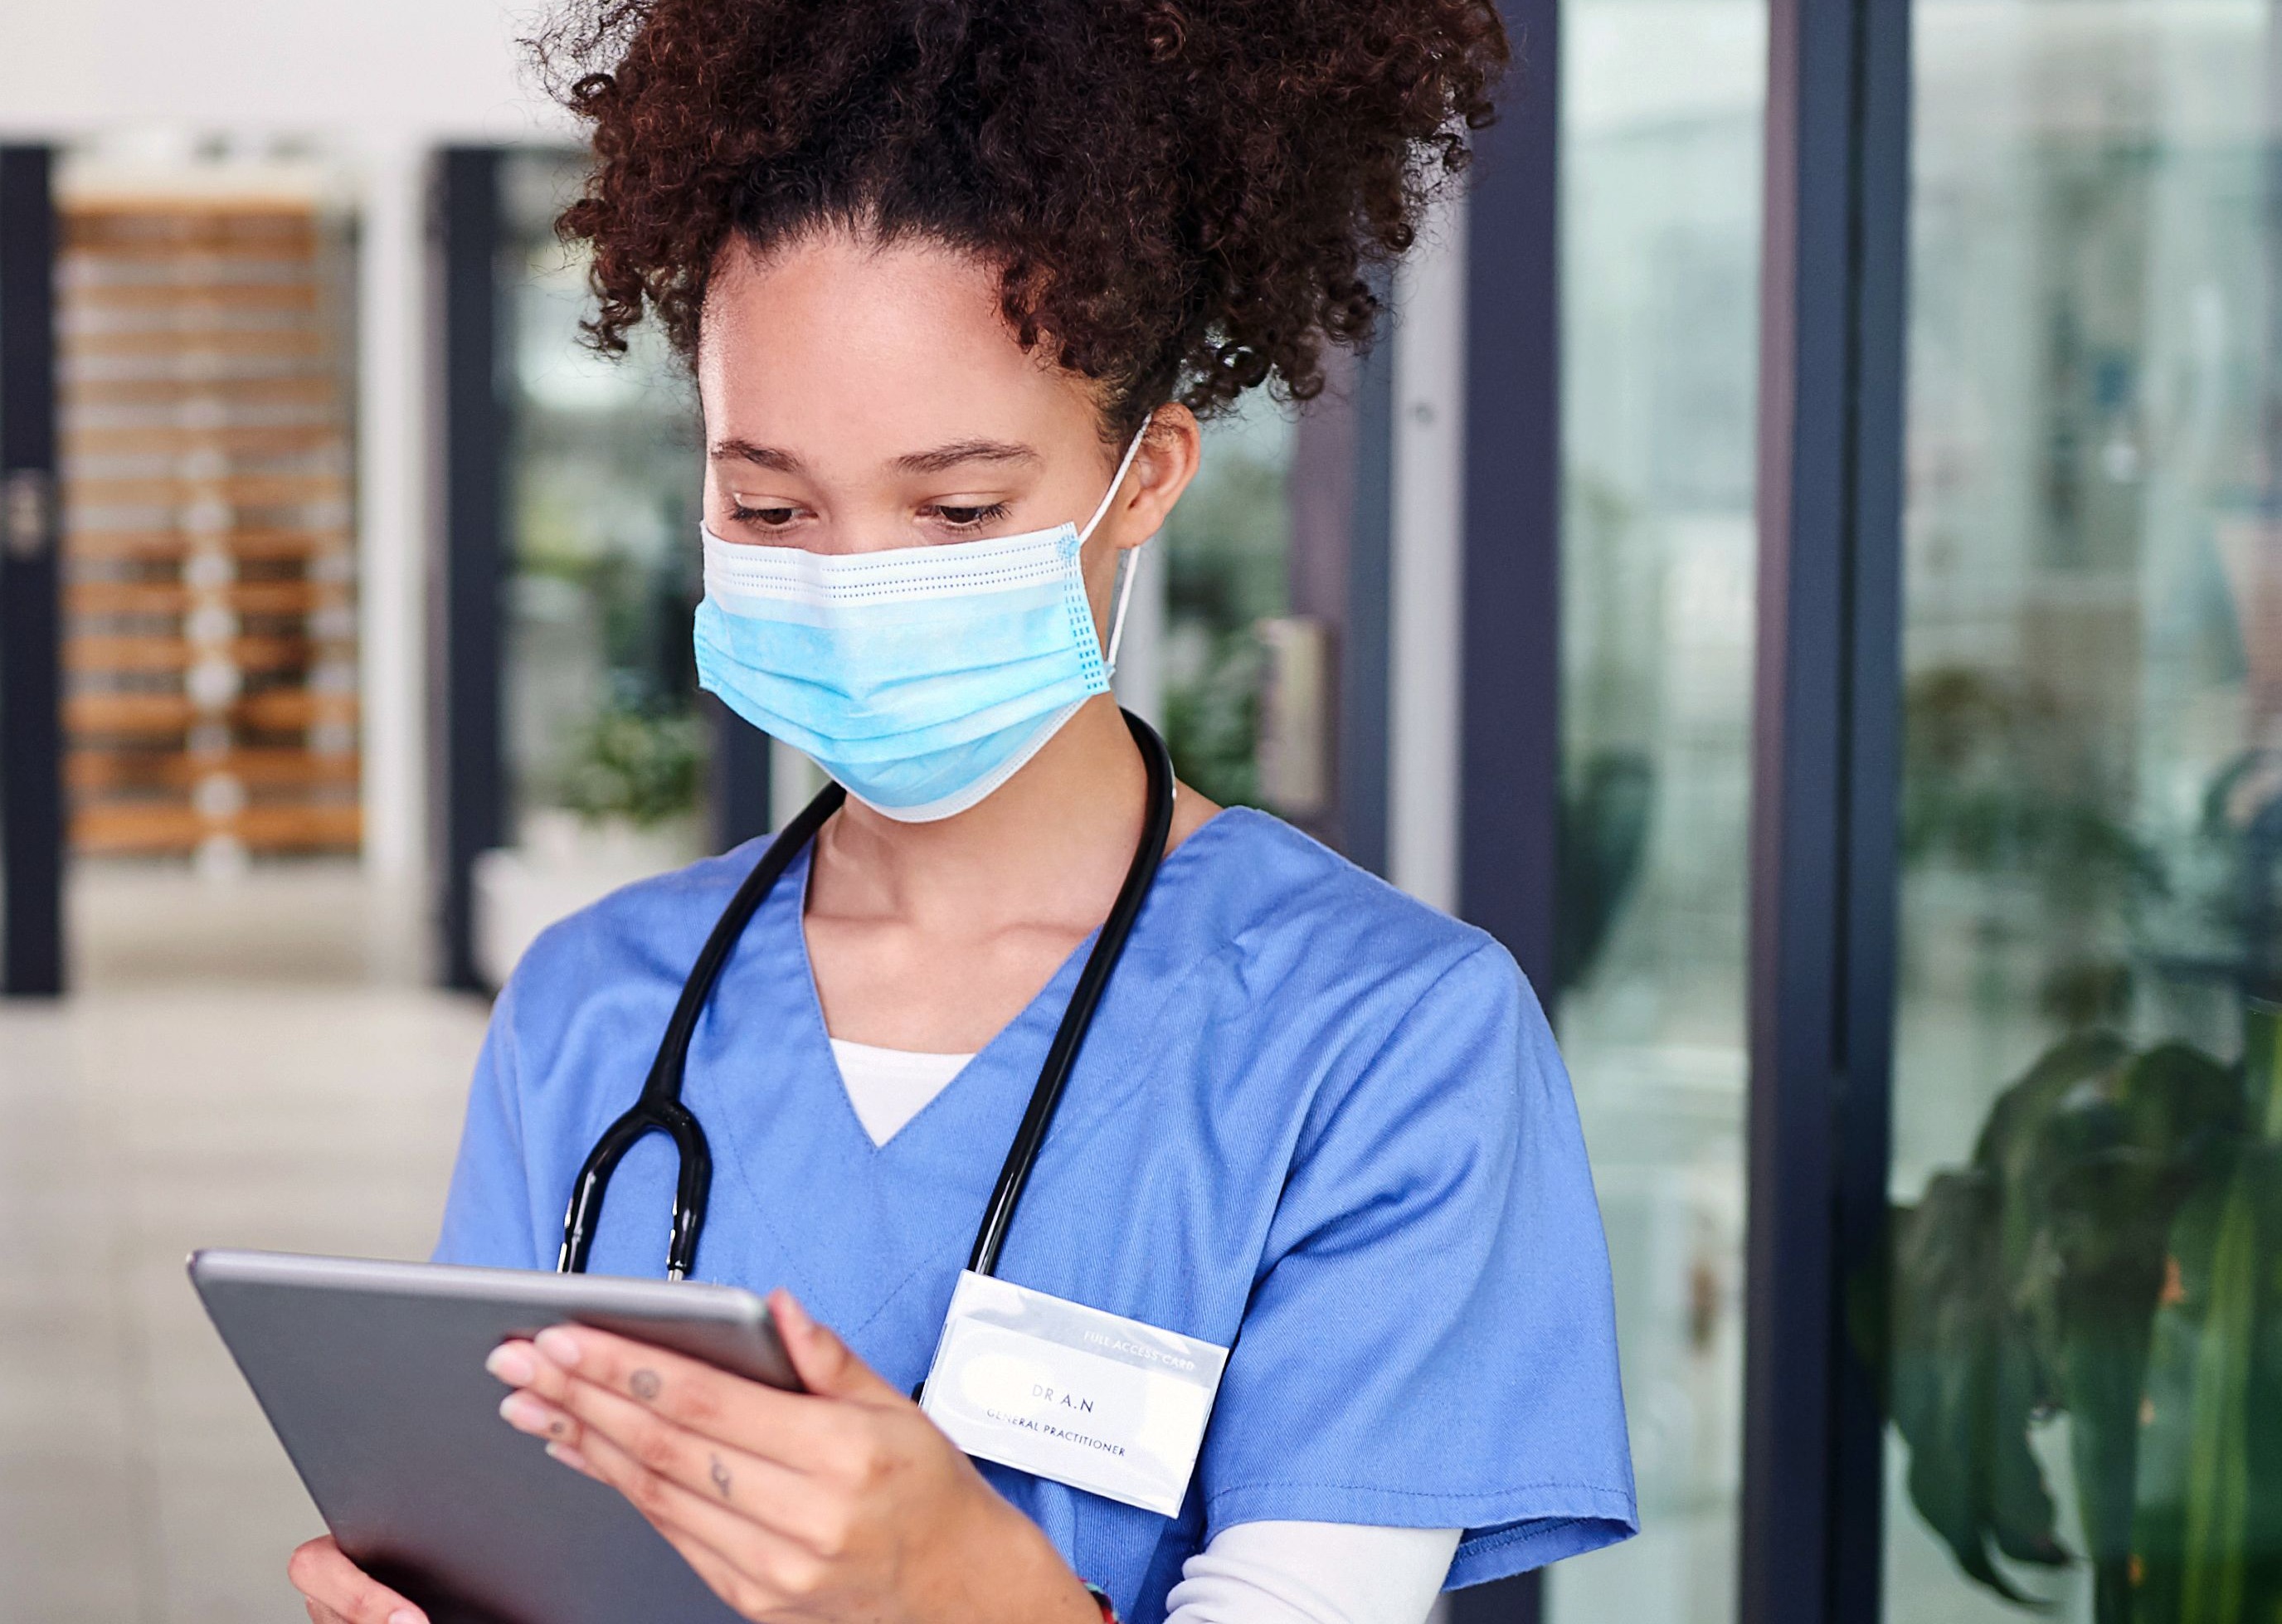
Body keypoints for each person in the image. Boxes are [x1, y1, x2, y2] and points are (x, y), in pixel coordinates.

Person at [289, 3, 1635, 1623]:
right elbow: (513, 1534)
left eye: (958, 508)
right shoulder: (591, 1011)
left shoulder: (1387, 1041)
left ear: (1145, 476)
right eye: (769, 503)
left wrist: (952, 1584)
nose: (851, 585)